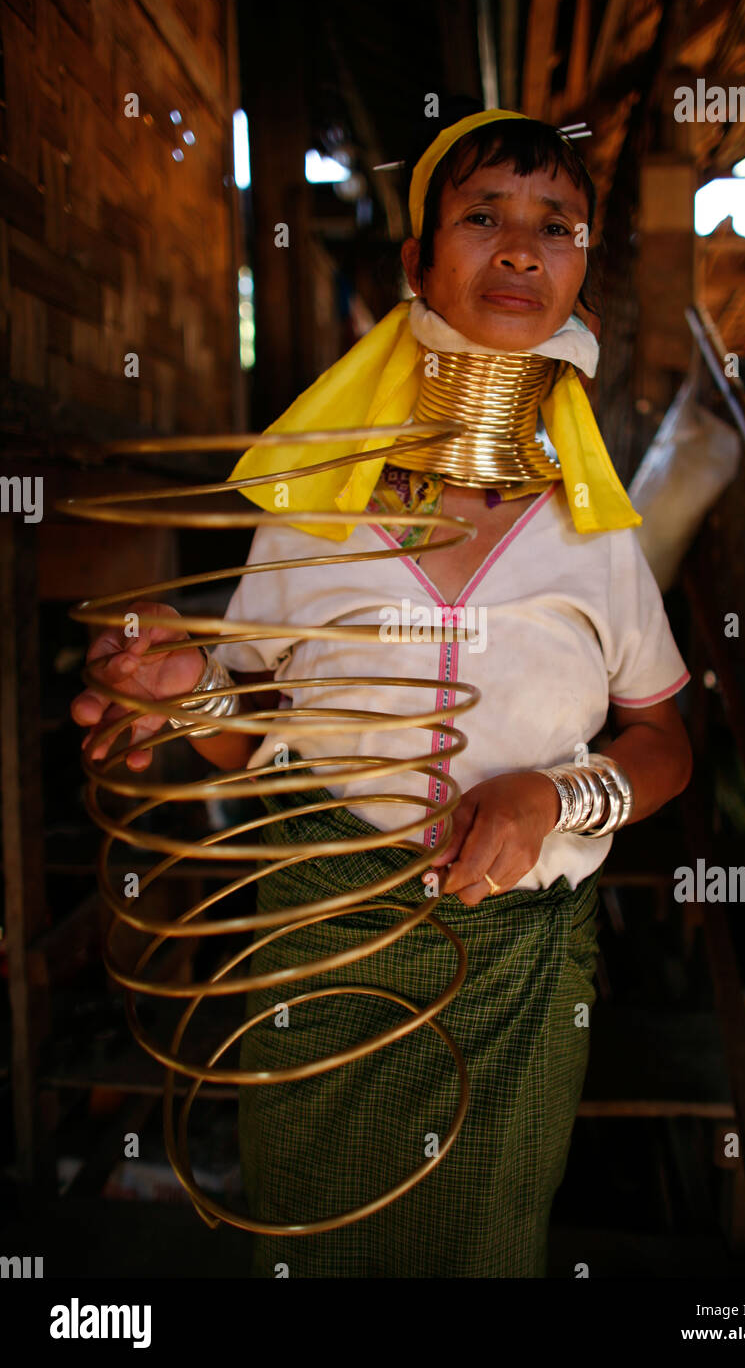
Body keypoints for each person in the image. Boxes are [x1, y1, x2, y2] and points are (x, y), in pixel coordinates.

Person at [71, 108, 692, 1278]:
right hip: (320, 949)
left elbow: (661, 738)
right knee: (314, 1241)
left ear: (580, 270)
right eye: (481, 216)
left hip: (513, 970)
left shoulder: (594, 535)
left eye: (555, 225)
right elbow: (245, 735)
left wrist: (554, 801)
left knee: (484, 1247)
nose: (519, 248)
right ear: (416, 264)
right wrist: (186, 694)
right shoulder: (314, 512)